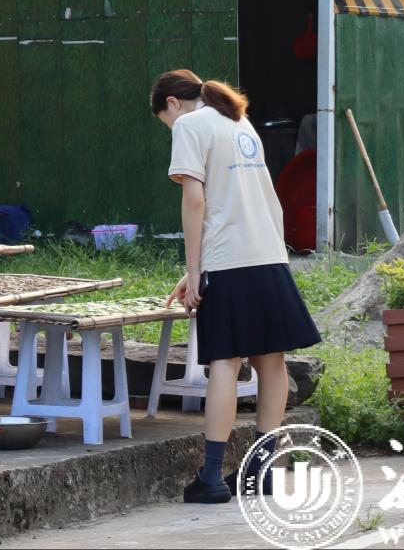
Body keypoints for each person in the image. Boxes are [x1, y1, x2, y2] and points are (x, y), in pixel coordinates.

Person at [151, 69, 322, 504]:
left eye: (165, 122)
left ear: (172, 103)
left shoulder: (190, 125)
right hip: (268, 254)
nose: (171, 129)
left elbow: (196, 202)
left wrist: (195, 270)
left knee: (224, 362)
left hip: (228, 261)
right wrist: (195, 269)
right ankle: (262, 471)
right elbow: (241, 202)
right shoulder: (238, 120)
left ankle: (210, 476)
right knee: (271, 360)